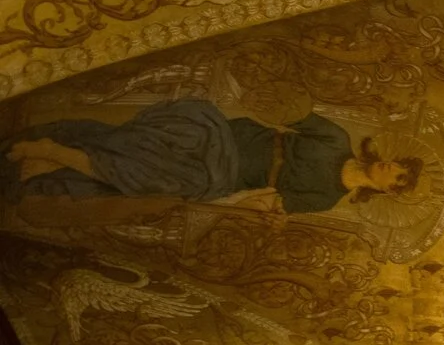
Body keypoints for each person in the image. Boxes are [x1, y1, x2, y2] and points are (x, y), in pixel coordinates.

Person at [4, 97, 420, 216]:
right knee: (156, 138)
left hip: (225, 177)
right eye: (396, 164)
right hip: (229, 138)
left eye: (396, 178)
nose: (390, 169)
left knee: (155, 178)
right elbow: (285, 110)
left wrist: (220, 201)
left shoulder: (324, 199)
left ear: (385, 191)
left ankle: (54, 154)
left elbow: (265, 201)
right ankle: (52, 156)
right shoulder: (336, 137)